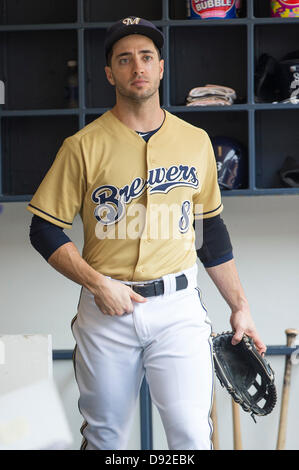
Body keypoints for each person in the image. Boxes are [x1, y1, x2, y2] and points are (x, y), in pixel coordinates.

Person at [27, 17, 266, 450]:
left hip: (177, 309)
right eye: (124, 59)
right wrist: (97, 283)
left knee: (192, 434)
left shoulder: (195, 141)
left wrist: (241, 307)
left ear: (159, 67)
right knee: (106, 439)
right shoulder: (82, 146)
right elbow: (43, 229)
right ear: (109, 73)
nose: (136, 66)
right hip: (106, 310)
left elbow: (209, 232)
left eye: (146, 57)